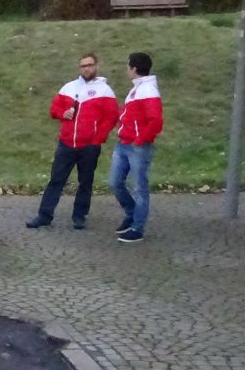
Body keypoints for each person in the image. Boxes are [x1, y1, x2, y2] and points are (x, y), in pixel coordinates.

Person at [26, 54, 119, 230]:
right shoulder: (69, 87)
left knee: (85, 182)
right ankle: (44, 215)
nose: (86, 68)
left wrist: (98, 138)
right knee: (56, 180)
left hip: (89, 145)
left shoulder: (104, 90)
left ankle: (79, 216)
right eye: (83, 65)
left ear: (96, 66)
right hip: (67, 143)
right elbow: (54, 109)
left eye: (90, 65)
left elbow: (112, 116)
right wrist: (63, 114)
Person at [110, 52, 164, 243]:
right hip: (124, 143)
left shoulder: (148, 90)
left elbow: (155, 120)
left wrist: (141, 139)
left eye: (128, 66)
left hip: (136, 146)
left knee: (139, 188)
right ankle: (132, 213)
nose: (127, 70)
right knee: (115, 182)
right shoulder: (137, 89)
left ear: (134, 68)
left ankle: (138, 227)